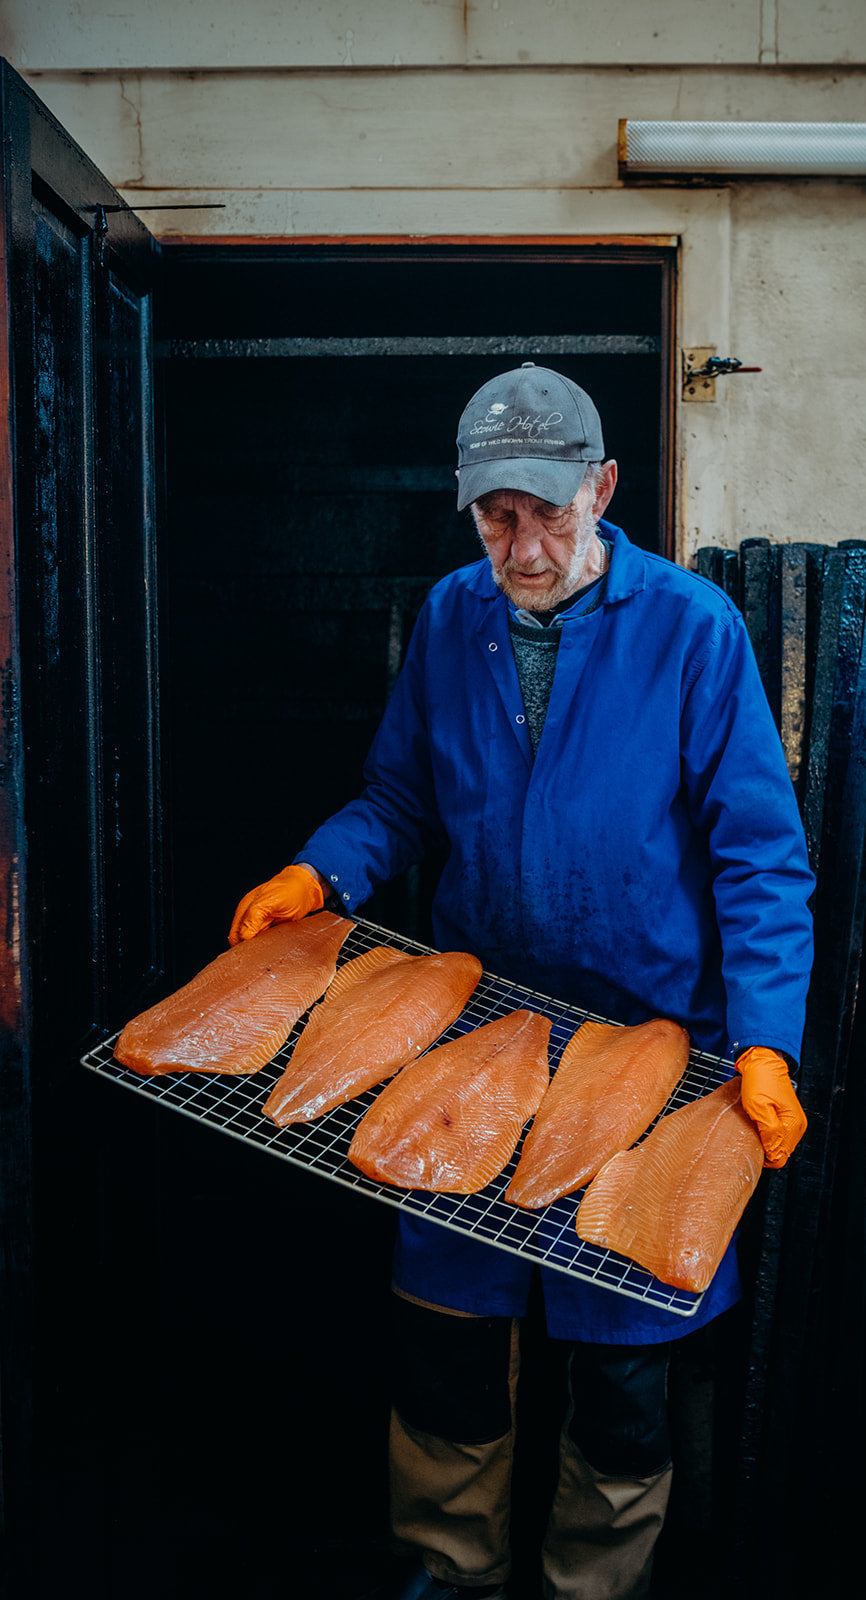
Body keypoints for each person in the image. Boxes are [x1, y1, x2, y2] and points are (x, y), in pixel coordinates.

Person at [229, 364, 815, 1600]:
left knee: (621, 1367)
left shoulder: (694, 628)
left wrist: (765, 1042)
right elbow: (396, 798)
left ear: (602, 488)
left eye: (551, 511)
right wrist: (316, 872)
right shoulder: (452, 616)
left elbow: (760, 858)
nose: (526, 544)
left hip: (654, 1044)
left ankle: (594, 1584)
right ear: (469, 505)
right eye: (499, 513)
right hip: (479, 1033)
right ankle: (451, 1570)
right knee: (445, 1339)